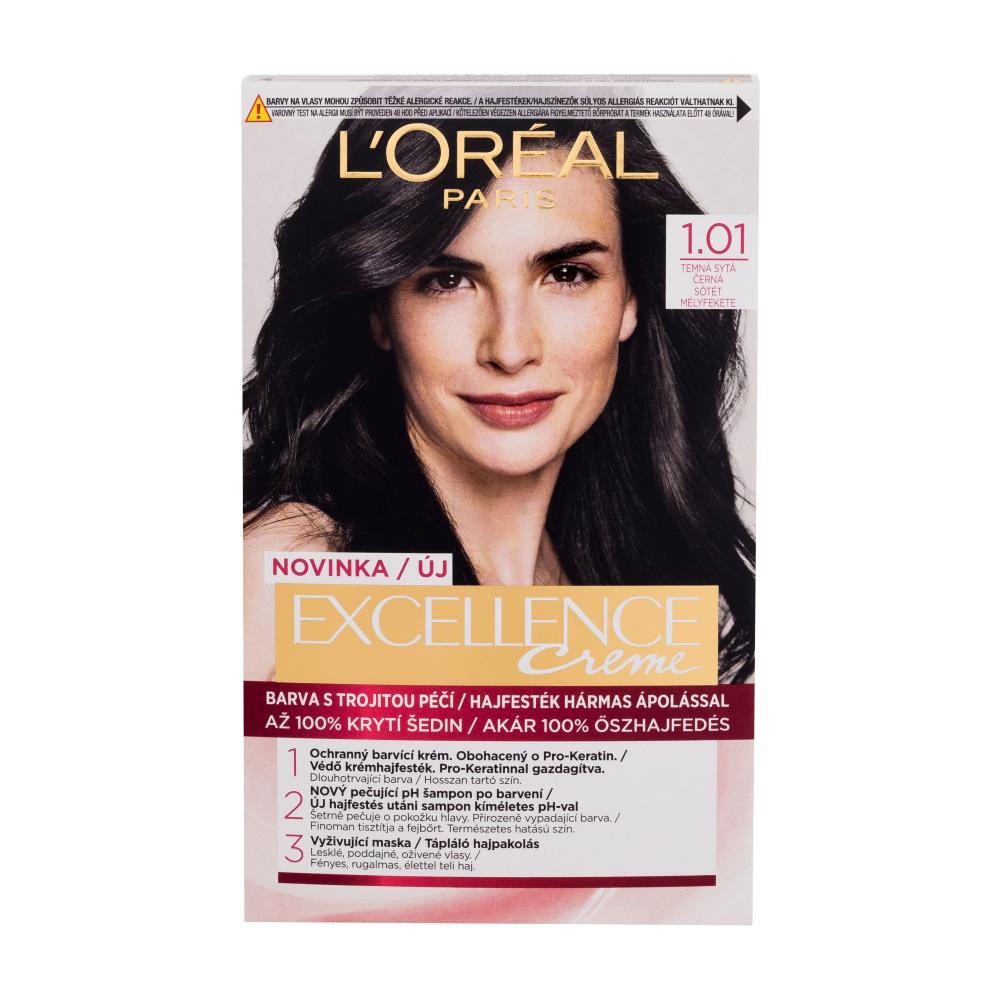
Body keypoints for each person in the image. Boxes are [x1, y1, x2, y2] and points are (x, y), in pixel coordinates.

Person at [244, 118, 755, 682]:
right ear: (380, 311)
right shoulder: (292, 566)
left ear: (632, 299)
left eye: (567, 274)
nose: (510, 351)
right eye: (447, 281)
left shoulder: (629, 586)